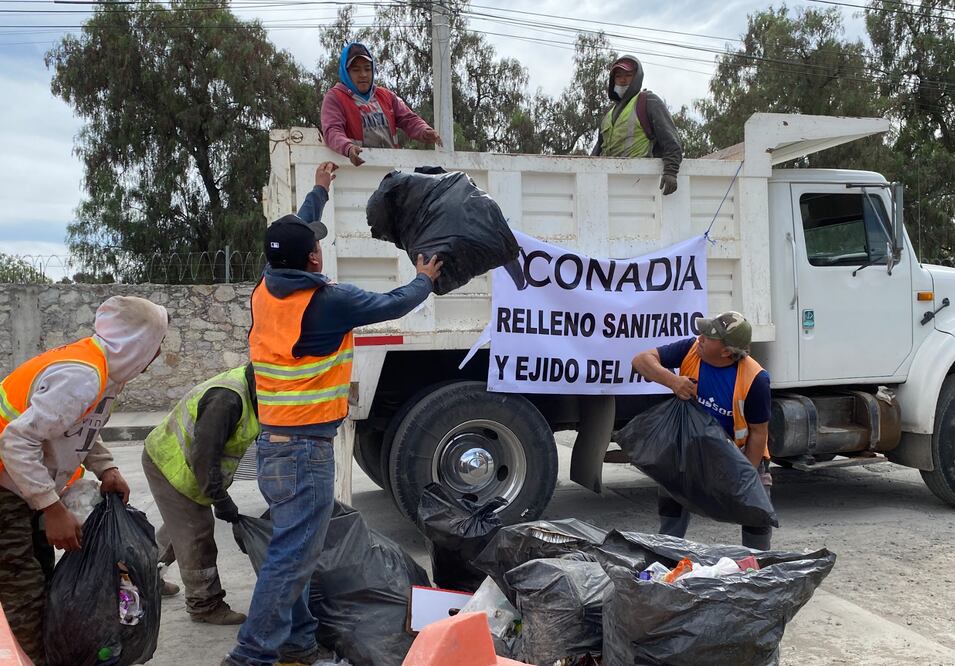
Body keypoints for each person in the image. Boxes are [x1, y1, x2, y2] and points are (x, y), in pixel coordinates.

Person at [222, 165, 442, 666]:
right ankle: (249, 656)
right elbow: (394, 303)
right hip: (305, 453)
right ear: (313, 258)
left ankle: (299, 642)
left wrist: (319, 190)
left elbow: (295, 232)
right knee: (290, 560)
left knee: (297, 551)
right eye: (315, 245)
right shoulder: (328, 303)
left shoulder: (265, 290)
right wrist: (425, 279)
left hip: (273, 449)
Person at [0, 296, 168, 665]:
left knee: (39, 581)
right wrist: (52, 507)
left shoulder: (104, 372)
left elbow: (77, 426)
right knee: (22, 590)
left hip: (20, 483)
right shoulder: (82, 376)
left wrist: (106, 468)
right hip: (6, 484)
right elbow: (15, 441)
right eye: (157, 343)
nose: (158, 354)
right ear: (136, 343)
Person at [631, 311, 774, 550]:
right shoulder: (691, 349)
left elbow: (759, 433)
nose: (700, 338)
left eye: (708, 337)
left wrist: (745, 476)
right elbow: (640, 360)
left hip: (736, 454)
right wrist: (673, 381)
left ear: (726, 351)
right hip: (690, 447)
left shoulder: (755, 379)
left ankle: (757, 562)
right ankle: (666, 555)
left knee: (756, 511)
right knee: (672, 496)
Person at [142, 363, 259, 625]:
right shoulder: (225, 401)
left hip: (183, 465)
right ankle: (204, 604)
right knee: (196, 533)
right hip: (169, 463)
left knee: (178, 531)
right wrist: (221, 500)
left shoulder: (253, 390)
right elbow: (205, 458)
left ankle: (139, 577)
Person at [321, 41, 442, 167]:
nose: (363, 74)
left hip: (391, 168)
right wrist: (348, 148)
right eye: (356, 70)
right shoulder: (335, 98)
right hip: (357, 169)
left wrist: (424, 130)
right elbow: (332, 131)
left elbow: (408, 119)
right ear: (346, 73)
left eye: (367, 69)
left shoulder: (386, 96)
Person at [591, 55, 684, 195]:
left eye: (628, 75)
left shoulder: (648, 101)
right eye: (618, 76)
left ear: (637, 78)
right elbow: (597, 150)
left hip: (639, 181)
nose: (623, 80)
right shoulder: (608, 115)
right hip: (608, 183)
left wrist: (671, 171)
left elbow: (671, 140)